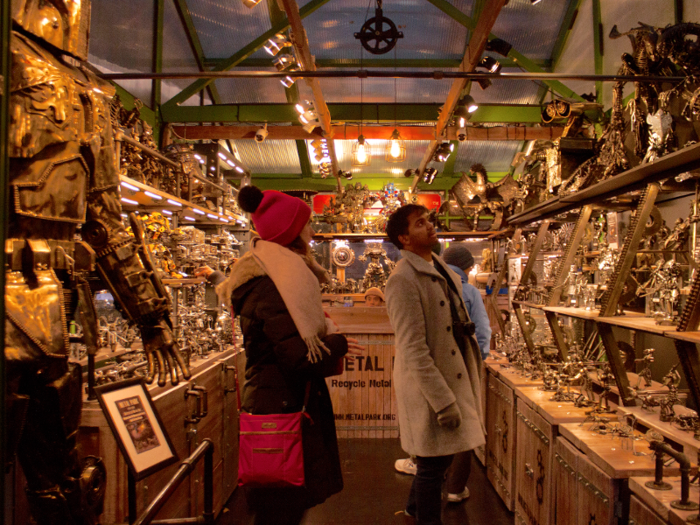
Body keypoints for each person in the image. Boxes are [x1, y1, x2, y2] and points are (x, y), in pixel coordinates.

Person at [200, 185, 363, 525]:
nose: (313, 232)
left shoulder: (277, 278)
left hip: (280, 402)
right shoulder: (274, 285)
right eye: (306, 225)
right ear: (290, 232)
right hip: (280, 409)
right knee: (279, 506)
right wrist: (339, 342)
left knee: (281, 504)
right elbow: (299, 357)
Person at [385, 204, 485, 525]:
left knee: (436, 462)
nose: (429, 226)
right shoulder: (402, 279)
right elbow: (413, 349)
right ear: (404, 238)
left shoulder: (438, 265)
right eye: (419, 224)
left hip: (451, 377)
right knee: (431, 467)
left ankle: (414, 509)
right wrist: (443, 403)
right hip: (431, 388)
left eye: (428, 220)